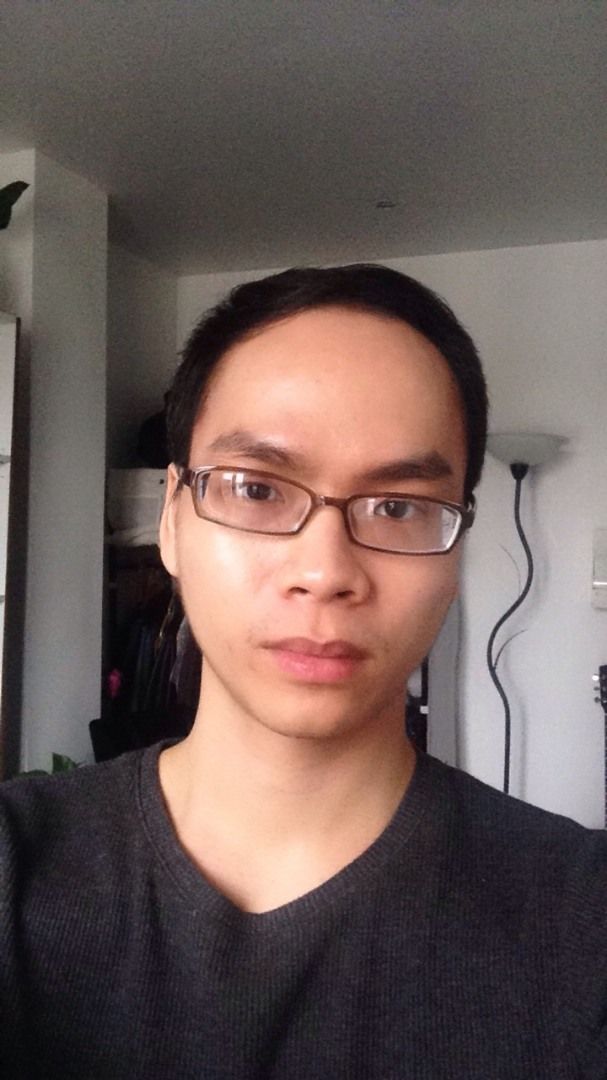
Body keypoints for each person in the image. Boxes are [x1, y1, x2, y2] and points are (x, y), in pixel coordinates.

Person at [1, 264, 606, 1079]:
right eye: (256, 490)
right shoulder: (18, 871)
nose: (324, 572)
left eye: (397, 507)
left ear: (457, 548)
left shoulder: (578, 919)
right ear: (172, 520)